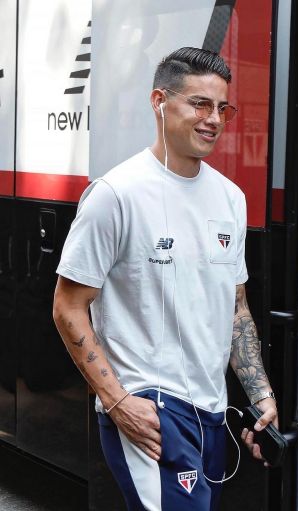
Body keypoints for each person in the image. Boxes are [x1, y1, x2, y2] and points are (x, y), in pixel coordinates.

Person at [53, 47, 278, 511]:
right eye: (200, 104)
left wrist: (261, 394)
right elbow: (67, 307)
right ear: (159, 101)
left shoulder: (231, 199)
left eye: (222, 108)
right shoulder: (115, 194)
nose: (213, 119)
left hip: (212, 411)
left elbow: (236, 308)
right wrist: (118, 402)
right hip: (151, 408)